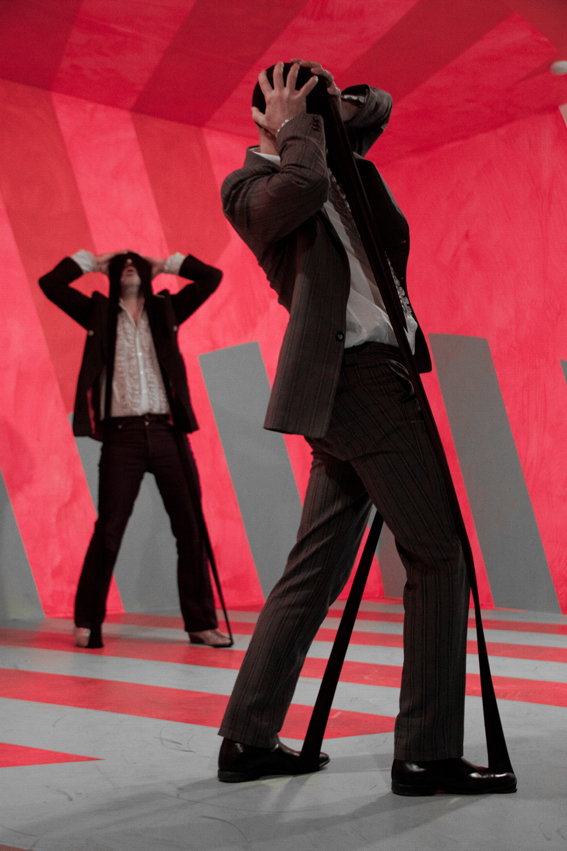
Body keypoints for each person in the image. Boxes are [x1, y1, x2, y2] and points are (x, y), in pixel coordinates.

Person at [215, 60, 517, 795]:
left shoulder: (340, 171)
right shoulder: (249, 187)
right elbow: (299, 185)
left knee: (314, 569)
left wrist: (330, 105)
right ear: (265, 116)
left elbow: (379, 106)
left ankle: (248, 737)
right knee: (438, 554)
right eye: (299, 104)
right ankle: (426, 754)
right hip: (358, 379)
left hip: (368, 379)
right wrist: (292, 127)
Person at [39, 249, 231, 649]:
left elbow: (211, 278)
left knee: (190, 526)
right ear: (110, 274)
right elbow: (50, 284)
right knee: (109, 529)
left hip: (166, 431)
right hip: (121, 436)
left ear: (147, 272)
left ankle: (200, 623)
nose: (128, 265)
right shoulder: (98, 313)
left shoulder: (167, 310)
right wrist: (91, 261)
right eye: (121, 264)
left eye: (134, 263)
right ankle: (87, 622)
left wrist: (168, 264)